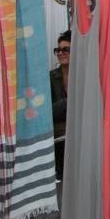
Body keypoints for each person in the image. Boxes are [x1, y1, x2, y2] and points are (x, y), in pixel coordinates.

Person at [49, 30, 71, 180]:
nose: (61, 53)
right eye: (58, 50)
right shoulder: (50, 77)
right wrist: (68, 103)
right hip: (59, 136)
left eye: (66, 49)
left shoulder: (83, 76)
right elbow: (47, 111)